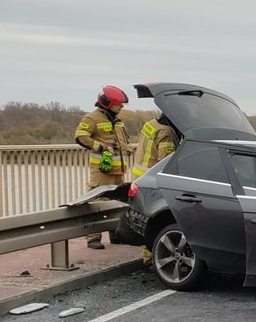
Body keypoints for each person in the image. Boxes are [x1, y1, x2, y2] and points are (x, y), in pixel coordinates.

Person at [75, 85, 131, 249]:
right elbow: (80, 136)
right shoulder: (92, 118)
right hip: (102, 171)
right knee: (97, 202)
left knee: (116, 202)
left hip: (118, 171)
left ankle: (115, 233)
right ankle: (93, 238)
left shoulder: (117, 120)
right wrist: (99, 146)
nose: (121, 107)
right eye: (118, 104)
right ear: (107, 103)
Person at [131, 113, 181, 263]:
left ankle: (148, 257)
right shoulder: (166, 132)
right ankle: (150, 257)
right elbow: (167, 160)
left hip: (140, 177)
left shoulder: (151, 123)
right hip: (154, 181)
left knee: (146, 217)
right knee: (156, 219)